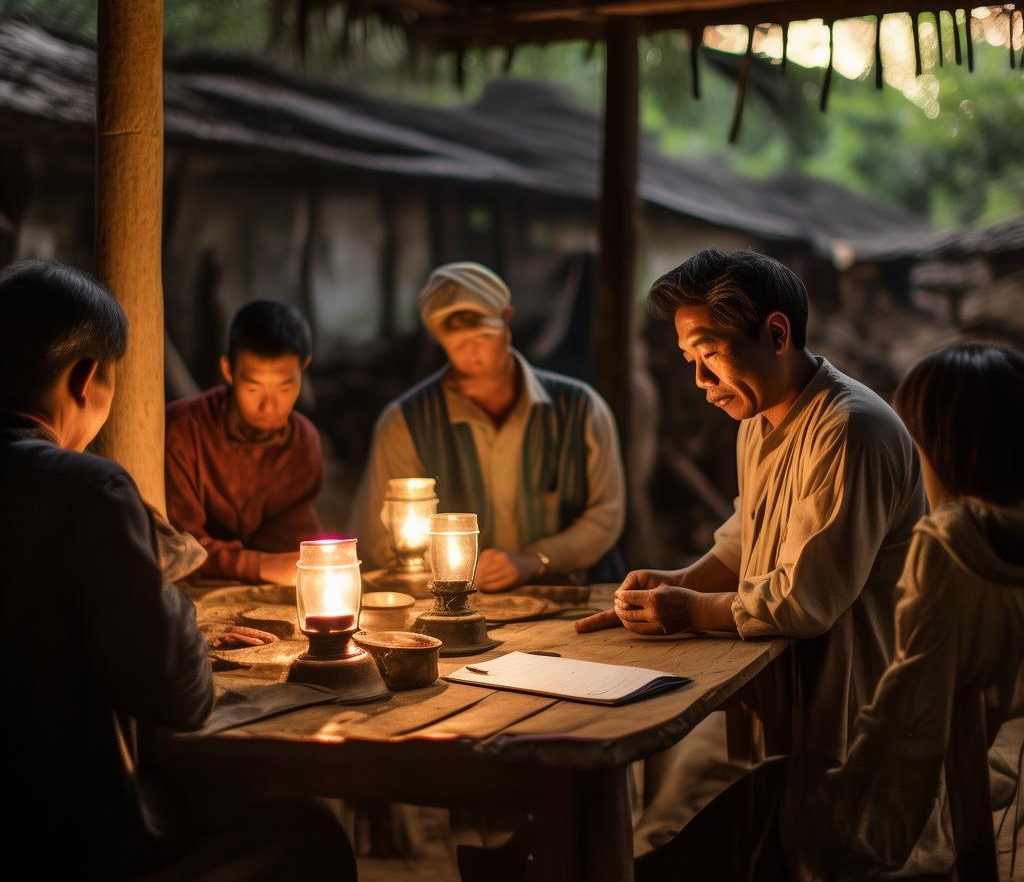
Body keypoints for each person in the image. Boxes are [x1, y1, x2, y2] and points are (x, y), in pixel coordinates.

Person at [0, 262, 355, 882]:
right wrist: (177, 619)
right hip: (69, 855)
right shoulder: (90, 490)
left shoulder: (297, 444)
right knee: (313, 838)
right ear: (87, 380)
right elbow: (183, 698)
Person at [578, 248, 925, 842]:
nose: (700, 381)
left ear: (777, 332)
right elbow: (744, 544)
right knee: (655, 762)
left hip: (849, 696)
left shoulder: (848, 430)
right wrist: (679, 582)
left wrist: (687, 611)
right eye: (690, 359)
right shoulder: (759, 421)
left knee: (680, 805)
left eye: (710, 354)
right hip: (778, 675)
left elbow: (803, 602)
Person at [792, 343, 1024, 882]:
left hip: (954, 755)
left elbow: (909, 705)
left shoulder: (948, 544)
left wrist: (846, 810)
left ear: (943, 447)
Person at [354, 261, 625, 589]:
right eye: (457, 344)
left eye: (483, 336)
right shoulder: (406, 423)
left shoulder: (580, 408)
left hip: (570, 596)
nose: (472, 353)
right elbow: (381, 537)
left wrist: (534, 560)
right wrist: (455, 568)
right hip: (457, 606)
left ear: (507, 319)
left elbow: (607, 513)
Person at [165, 300, 322, 585]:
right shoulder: (182, 432)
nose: (269, 406)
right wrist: (258, 565)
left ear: (304, 367)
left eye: (285, 387)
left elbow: (292, 542)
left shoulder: (303, 442)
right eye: (253, 387)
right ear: (228, 370)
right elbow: (177, 548)